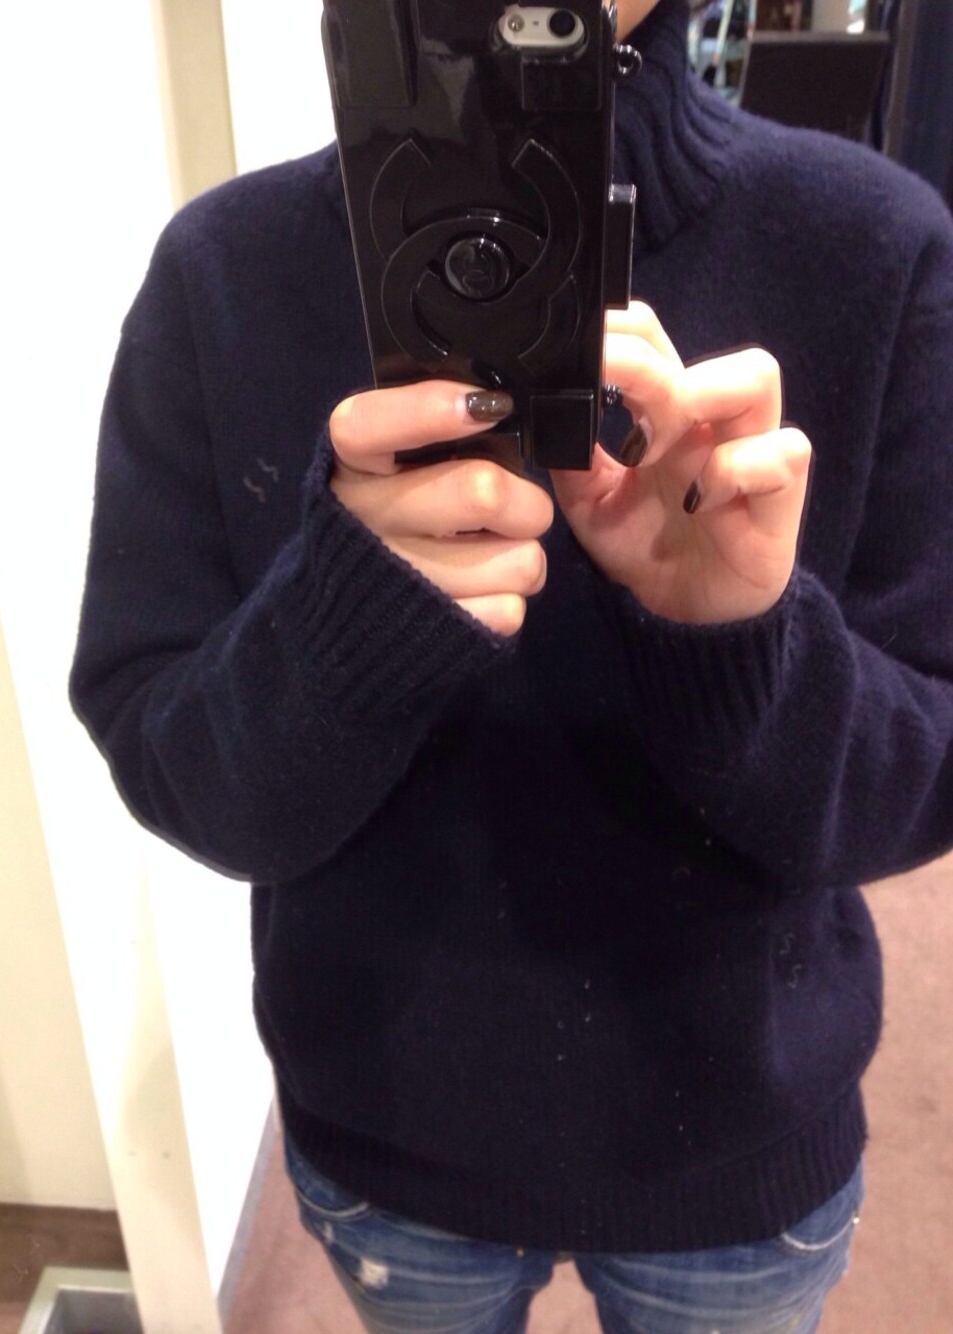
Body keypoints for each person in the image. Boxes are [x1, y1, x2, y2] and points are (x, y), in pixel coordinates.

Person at [70, 1, 953, 1329]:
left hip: (735, 1146)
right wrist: (349, 622)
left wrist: (742, 645)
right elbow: (175, 766)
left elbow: (924, 775)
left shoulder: (873, 247)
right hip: (390, 1144)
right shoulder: (223, 273)